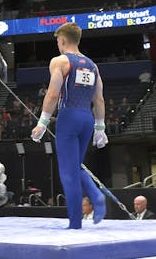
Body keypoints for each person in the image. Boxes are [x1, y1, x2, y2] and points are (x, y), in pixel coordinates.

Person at [30, 22, 107, 229]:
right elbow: (99, 99)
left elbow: (53, 93)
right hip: (87, 119)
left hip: (69, 117)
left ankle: (75, 223)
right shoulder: (92, 65)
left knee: (68, 172)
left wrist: (42, 122)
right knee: (75, 166)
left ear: (62, 40)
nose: (57, 44)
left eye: (57, 41)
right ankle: (95, 196)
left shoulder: (60, 61)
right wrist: (100, 128)